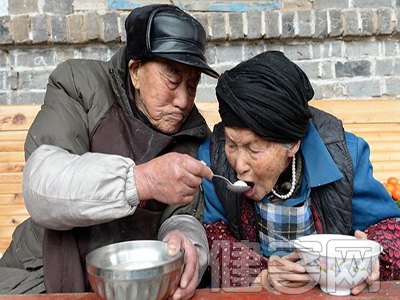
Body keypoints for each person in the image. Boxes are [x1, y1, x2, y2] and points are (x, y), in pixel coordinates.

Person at [0, 4, 219, 299]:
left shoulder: (194, 135)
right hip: (39, 274)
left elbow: (183, 214)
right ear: (136, 70)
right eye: (173, 80)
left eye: (192, 86)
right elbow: (42, 185)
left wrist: (185, 240)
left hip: (137, 287)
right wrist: (143, 181)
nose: (183, 100)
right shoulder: (80, 85)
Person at [197, 51, 400, 294]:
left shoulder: (346, 156)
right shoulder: (213, 158)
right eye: (232, 144)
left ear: (292, 144)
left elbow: (390, 227)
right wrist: (260, 275)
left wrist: (374, 259)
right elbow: (211, 235)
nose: (239, 165)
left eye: (254, 148)